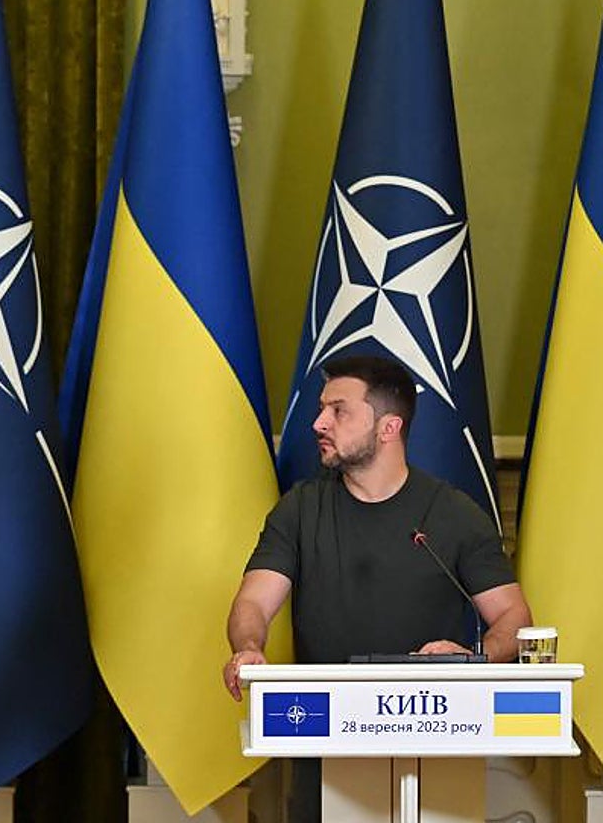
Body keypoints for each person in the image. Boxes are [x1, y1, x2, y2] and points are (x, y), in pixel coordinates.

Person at [222, 353, 531, 823]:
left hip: (437, 742)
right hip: (320, 738)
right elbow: (253, 601)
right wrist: (248, 646)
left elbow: (514, 618)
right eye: (321, 409)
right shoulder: (300, 510)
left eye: (338, 411)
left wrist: (475, 658)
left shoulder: (454, 515)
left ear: (389, 428)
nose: (319, 423)